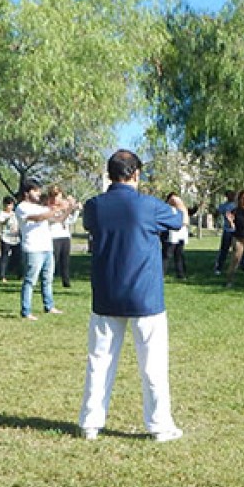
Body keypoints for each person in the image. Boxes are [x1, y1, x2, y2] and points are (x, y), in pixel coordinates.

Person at [78, 149, 186, 442]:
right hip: (144, 296)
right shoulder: (149, 206)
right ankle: (160, 426)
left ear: (109, 173)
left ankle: (90, 422)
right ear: (136, 173)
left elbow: (91, 226)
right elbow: (178, 222)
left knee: (99, 361)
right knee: (152, 364)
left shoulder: (94, 206)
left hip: (106, 294)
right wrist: (179, 204)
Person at [15, 179, 70, 319]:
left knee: (47, 279)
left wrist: (69, 208)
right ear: (27, 192)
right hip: (33, 248)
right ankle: (26, 311)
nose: (39, 193)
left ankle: (49, 306)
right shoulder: (22, 207)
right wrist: (56, 208)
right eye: (35, 190)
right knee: (30, 281)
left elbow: (57, 219)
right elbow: (39, 218)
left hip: (46, 247)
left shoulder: (40, 207)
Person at [45, 184, 78, 288]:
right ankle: (47, 280)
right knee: (53, 261)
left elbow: (70, 220)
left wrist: (75, 210)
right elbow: (58, 220)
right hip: (53, 236)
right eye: (53, 196)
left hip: (65, 236)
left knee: (65, 261)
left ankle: (66, 281)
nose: (55, 198)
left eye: (58, 195)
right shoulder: (47, 208)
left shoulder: (64, 207)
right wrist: (69, 208)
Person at [212, 190, 244, 275]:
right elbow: (216, 214)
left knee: (241, 250)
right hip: (227, 231)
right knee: (224, 249)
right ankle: (219, 267)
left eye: (233, 194)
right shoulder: (224, 206)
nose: (232, 196)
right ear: (227, 196)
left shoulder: (237, 205)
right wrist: (216, 212)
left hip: (238, 231)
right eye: (230, 195)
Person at [162, 192, 190, 279]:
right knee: (168, 254)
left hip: (181, 231)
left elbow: (185, 219)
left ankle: (181, 273)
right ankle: (161, 273)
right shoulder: (168, 208)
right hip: (172, 232)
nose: (175, 200)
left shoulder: (180, 208)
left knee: (179, 253)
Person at [0, 195, 20, 283]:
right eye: (8, 205)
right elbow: (2, 222)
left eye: (11, 205)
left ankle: (18, 273)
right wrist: (8, 217)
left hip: (15, 238)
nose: (10, 207)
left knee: (17, 256)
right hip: (5, 238)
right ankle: (2, 276)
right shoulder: (2, 214)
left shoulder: (15, 214)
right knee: (4, 257)